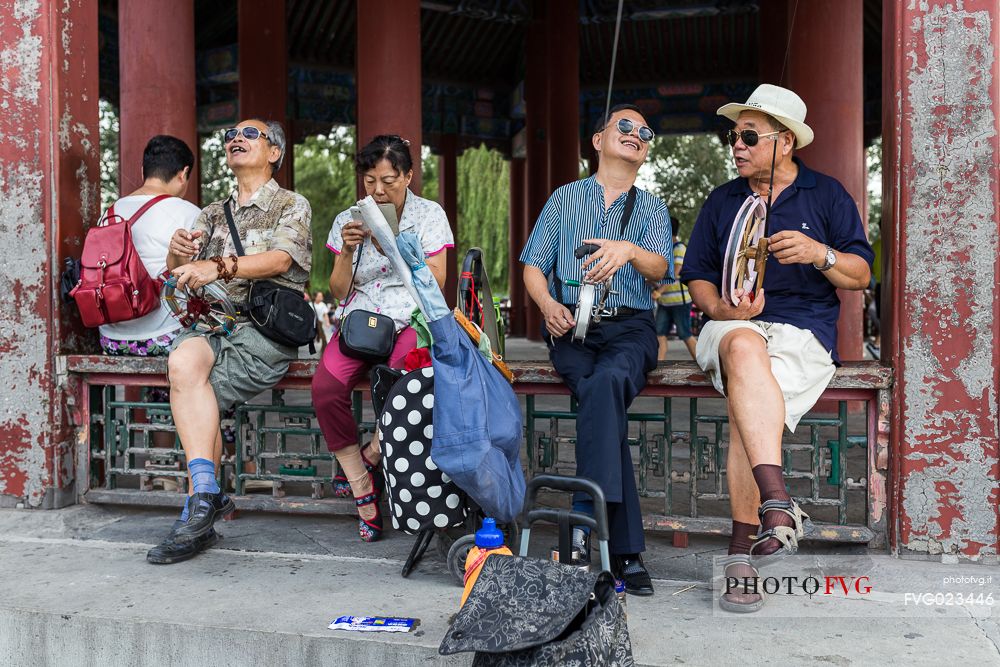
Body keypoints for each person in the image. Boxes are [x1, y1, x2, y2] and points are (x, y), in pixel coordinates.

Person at [681, 84, 873, 611]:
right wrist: (721, 310)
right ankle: (776, 506)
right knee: (744, 347)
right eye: (733, 136)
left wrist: (819, 253)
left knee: (750, 411)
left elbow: (860, 274)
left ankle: (744, 547)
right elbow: (695, 276)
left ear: (784, 142)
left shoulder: (827, 194)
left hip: (803, 330)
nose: (735, 146)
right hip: (732, 324)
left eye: (748, 135)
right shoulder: (722, 200)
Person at [520, 104, 671, 595]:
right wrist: (546, 305)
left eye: (644, 132)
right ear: (597, 140)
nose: (635, 134)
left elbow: (659, 270)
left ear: (645, 152)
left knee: (603, 384)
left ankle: (584, 524)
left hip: (630, 329)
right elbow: (532, 266)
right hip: (573, 327)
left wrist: (626, 250)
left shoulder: (650, 207)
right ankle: (624, 554)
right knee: (601, 399)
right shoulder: (564, 199)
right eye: (624, 127)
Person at [146, 118, 312, 564]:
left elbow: (280, 258)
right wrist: (179, 252)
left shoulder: (292, 205)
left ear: (275, 152)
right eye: (230, 136)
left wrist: (219, 266)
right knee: (182, 364)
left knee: (198, 398)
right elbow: (178, 269)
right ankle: (205, 496)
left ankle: (197, 508)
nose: (236, 139)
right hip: (211, 325)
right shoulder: (210, 212)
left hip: (263, 331)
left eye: (250, 134)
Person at [311, 135, 454, 542]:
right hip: (361, 321)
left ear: (408, 176)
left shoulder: (429, 215)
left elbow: (437, 281)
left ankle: (372, 455)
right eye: (370, 179)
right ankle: (361, 484)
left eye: (389, 179)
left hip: (411, 317)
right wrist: (346, 252)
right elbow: (339, 291)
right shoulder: (348, 219)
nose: (377, 190)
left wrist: (391, 246)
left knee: (402, 385)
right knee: (326, 386)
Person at [98, 135, 200, 357]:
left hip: (110, 339)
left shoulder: (110, 213)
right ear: (183, 174)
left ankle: (158, 394)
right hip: (162, 338)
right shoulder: (189, 213)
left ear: (143, 171)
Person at [651, 216, 697, 361]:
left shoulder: (680, 248)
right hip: (665, 302)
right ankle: (659, 365)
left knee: (685, 334)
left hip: (680, 302)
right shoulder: (664, 250)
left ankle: (702, 364)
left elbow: (675, 273)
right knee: (659, 334)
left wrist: (659, 291)